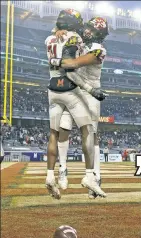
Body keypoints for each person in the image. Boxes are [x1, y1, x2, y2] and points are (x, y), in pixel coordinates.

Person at [45, 9, 106, 199]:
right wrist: (58, 31)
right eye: (85, 28)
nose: (86, 31)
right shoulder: (77, 39)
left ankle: (95, 176)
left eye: (90, 29)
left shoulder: (98, 48)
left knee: (91, 134)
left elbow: (72, 64)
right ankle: (63, 171)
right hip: (74, 89)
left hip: (89, 91)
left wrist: (61, 55)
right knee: (63, 130)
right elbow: (63, 32)